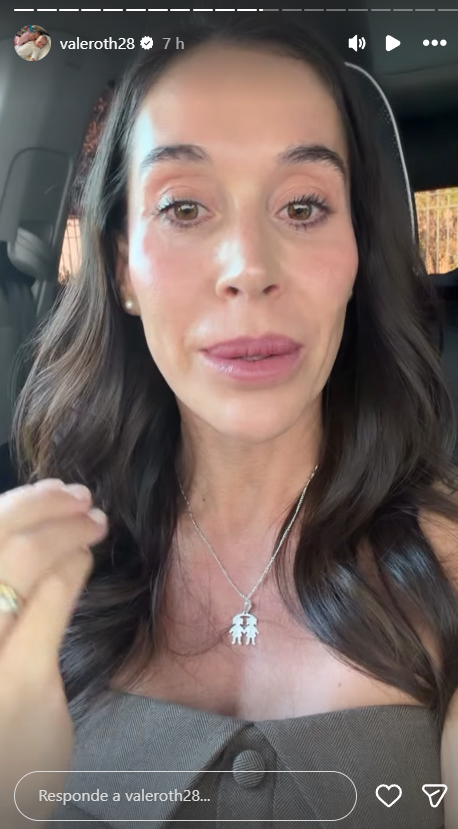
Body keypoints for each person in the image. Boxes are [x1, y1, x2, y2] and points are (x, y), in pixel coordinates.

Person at [1, 12, 458, 828]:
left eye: (304, 206)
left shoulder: (449, 566)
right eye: (184, 207)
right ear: (123, 268)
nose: (249, 267)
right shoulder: (28, 573)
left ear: (357, 254)